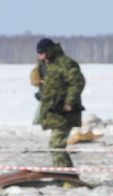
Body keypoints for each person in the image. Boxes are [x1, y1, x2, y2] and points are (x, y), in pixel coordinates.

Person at [34, 39, 84, 168]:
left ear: (50, 51)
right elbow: (49, 83)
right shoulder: (44, 64)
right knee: (55, 146)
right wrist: (41, 92)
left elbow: (77, 83)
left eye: (42, 53)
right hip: (53, 112)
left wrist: (69, 103)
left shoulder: (66, 63)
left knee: (56, 145)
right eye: (39, 54)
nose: (40, 56)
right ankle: (61, 176)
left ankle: (69, 179)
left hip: (65, 112)